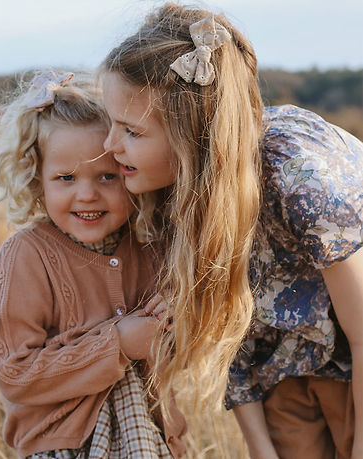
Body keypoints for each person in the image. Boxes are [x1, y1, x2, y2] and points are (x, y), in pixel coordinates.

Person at [100, 3, 363, 458]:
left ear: (191, 133)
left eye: (131, 131)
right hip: (282, 377)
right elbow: (236, 336)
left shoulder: (299, 178)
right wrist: (260, 448)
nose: (109, 145)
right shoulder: (174, 198)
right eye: (111, 124)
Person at [0, 70, 186, 458]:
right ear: (36, 181)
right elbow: (15, 374)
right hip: (61, 447)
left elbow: (178, 351)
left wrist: (173, 323)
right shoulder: (25, 257)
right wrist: (119, 343)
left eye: (107, 175)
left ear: (130, 171)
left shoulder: (151, 248)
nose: (87, 194)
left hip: (151, 440)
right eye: (66, 177)